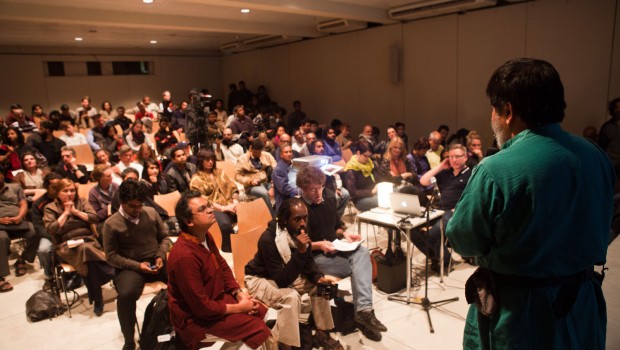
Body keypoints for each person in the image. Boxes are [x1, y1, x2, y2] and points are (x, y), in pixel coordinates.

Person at [446, 58, 614, 349]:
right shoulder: (595, 155)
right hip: (582, 304)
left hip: (520, 315)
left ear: (507, 111)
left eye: (493, 108)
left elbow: (463, 240)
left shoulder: (495, 169)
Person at [167, 190, 273, 350]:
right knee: (259, 328)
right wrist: (240, 307)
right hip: (196, 320)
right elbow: (201, 307)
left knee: (264, 312)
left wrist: (239, 294)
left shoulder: (204, 236)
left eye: (208, 206)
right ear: (188, 221)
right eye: (202, 209)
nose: (210, 210)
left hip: (217, 300)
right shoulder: (184, 256)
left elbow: (223, 268)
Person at [297, 166, 387, 341]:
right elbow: (296, 246)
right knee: (359, 267)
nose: (318, 193)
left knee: (361, 251)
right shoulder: (299, 210)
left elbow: (336, 226)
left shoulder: (328, 198)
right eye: (313, 190)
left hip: (334, 249)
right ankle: (363, 314)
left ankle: (363, 311)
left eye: (320, 187)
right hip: (314, 258)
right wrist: (319, 245)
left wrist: (345, 234)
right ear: (303, 189)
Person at [245, 198, 343, 350]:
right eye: (297, 219)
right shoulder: (268, 239)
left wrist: (319, 277)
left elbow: (309, 263)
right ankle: (286, 345)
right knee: (290, 297)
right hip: (260, 278)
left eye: (305, 218)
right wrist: (301, 251)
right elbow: (282, 281)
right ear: (285, 220)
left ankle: (322, 334)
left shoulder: (301, 230)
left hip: (284, 273)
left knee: (320, 287)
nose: (303, 223)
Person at [103, 180, 172, 350]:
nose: (138, 210)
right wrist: (137, 266)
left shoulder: (151, 213)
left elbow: (164, 238)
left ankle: (182, 323)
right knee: (125, 295)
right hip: (130, 267)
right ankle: (129, 340)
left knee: (182, 280)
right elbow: (111, 257)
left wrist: (160, 255)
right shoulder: (111, 224)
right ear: (122, 202)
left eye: (140, 205)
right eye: (133, 206)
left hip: (155, 260)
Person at [43, 178, 113, 316]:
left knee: (87, 255)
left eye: (72, 190)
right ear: (57, 193)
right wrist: (66, 213)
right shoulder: (50, 208)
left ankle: (97, 298)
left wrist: (75, 212)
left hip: (88, 241)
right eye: (65, 191)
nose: (69, 194)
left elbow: (94, 218)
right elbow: (52, 229)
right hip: (66, 246)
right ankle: (112, 270)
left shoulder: (81, 202)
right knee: (85, 250)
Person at [414, 143, 471, 274]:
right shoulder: (446, 173)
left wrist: (457, 209)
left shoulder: (470, 174)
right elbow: (423, 181)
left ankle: (442, 259)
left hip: (454, 212)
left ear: (465, 157)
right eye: (451, 157)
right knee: (410, 229)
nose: (454, 160)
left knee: (433, 233)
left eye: (457, 156)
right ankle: (439, 257)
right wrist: (440, 167)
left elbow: (474, 198)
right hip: (437, 210)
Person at [189, 149, 239, 252]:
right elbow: (201, 199)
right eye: (207, 160)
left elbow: (233, 187)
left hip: (231, 204)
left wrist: (235, 201)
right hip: (213, 208)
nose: (210, 162)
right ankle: (230, 250)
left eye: (212, 159)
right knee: (225, 225)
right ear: (201, 161)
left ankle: (246, 243)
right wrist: (223, 208)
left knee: (251, 215)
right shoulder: (196, 179)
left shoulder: (220, 172)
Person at [0, 167, 37, 292]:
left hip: (17, 220)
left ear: (2, 175)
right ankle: (1, 276)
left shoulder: (15, 187)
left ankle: (22, 259)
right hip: (0, 224)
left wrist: (20, 216)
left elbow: (23, 203)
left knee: (34, 232)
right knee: (2, 238)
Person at [30, 173, 63, 290]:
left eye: (59, 186)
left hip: (69, 233)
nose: (57, 190)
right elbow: (39, 228)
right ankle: (49, 277)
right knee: (44, 250)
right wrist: (53, 237)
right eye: (54, 187)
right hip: (49, 235)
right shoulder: (38, 204)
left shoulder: (67, 197)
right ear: (46, 187)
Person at [235, 139, 277, 218]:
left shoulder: (266, 155)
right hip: (251, 185)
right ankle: (273, 216)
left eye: (259, 152)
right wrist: (250, 181)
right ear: (251, 148)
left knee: (279, 189)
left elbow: (276, 168)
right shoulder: (242, 159)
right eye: (255, 152)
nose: (257, 154)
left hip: (265, 182)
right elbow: (237, 176)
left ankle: (278, 211)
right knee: (264, 193)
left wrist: (273, 185)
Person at [342, 140, 382, 212]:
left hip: (375, 192)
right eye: (366, 156)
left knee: (394, 193)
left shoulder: (370, 163)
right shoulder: (351, 169)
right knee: (383, 200)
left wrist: (380, 185)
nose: (368, 158)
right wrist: (371, 191)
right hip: (361, 200)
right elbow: (353, 193)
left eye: (369, 156)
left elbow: (379, 178)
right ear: (358, 153)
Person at [598, 97, 620, 177]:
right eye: (616, 107)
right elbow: (601, 146)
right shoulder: (607, 126)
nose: (619, 110)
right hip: (611, 163)